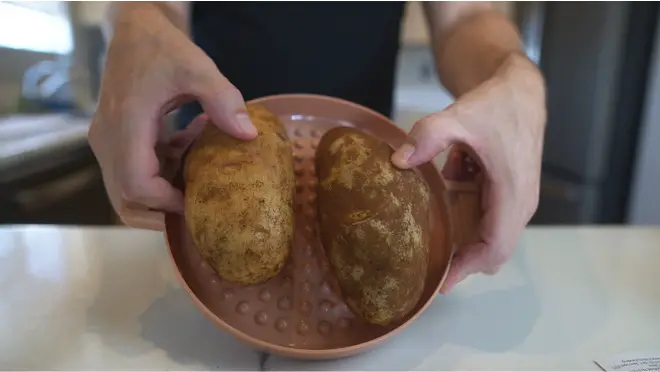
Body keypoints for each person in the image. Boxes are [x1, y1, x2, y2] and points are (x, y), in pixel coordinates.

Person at [88, 1, 547, 294]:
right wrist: (135, 21)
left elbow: (465, 16)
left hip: (367, 173)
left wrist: (513, 69)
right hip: (200, 191)